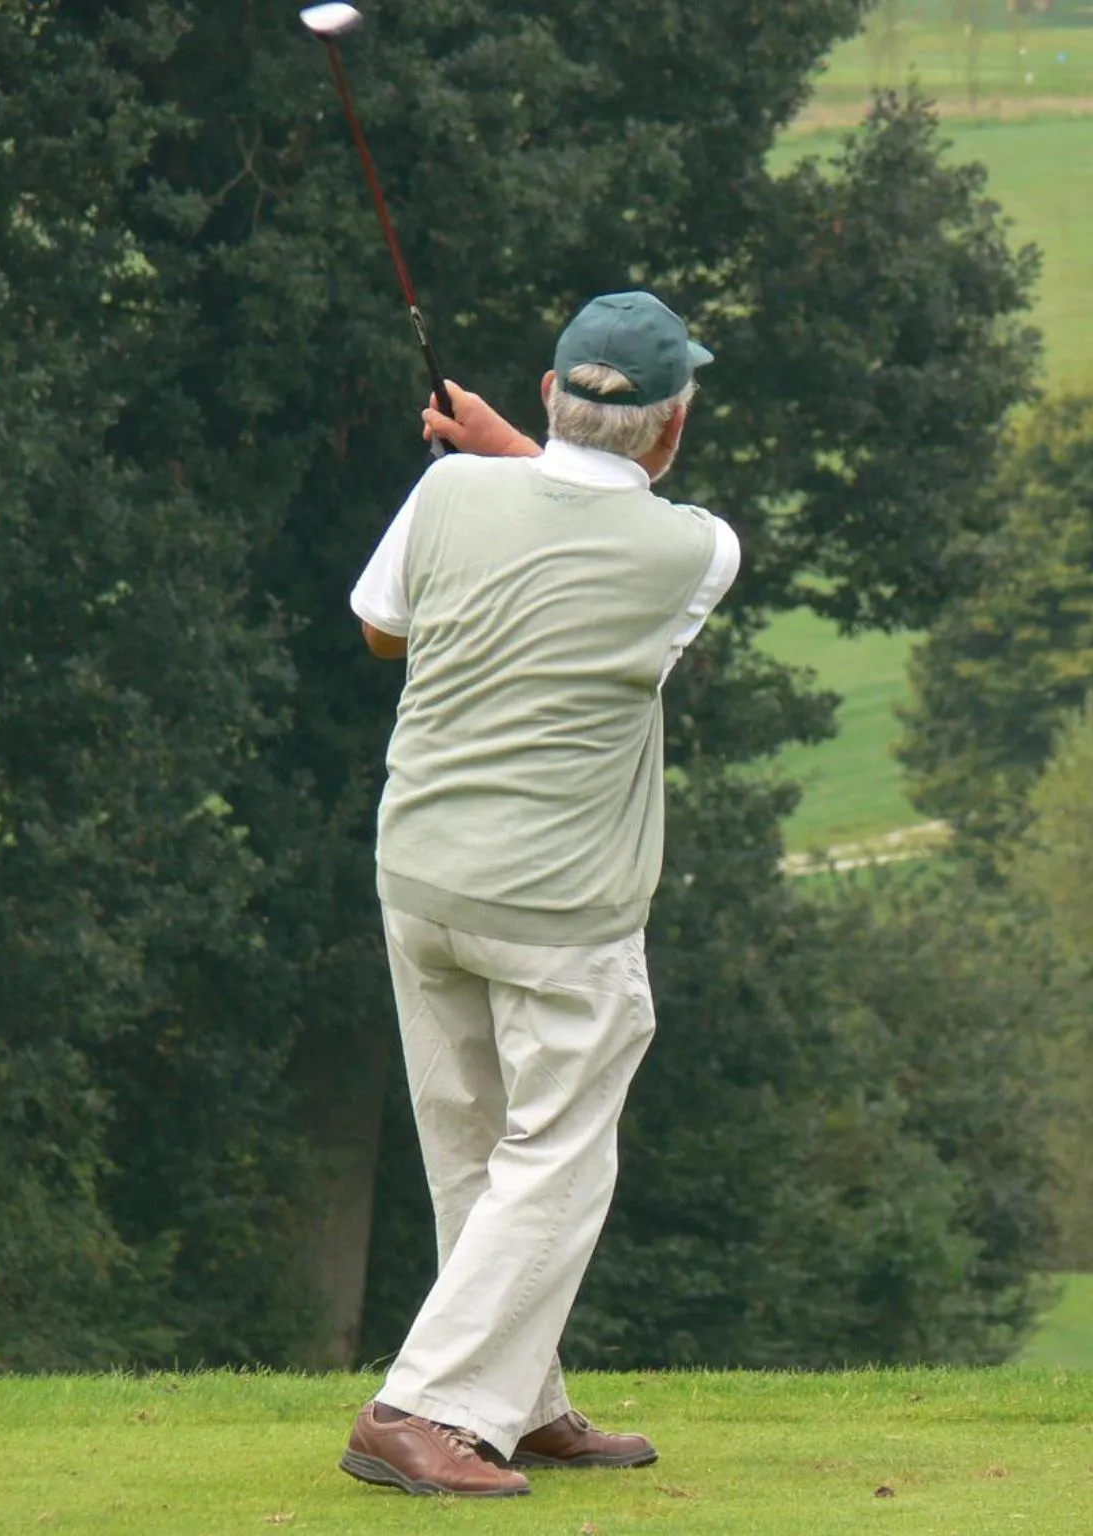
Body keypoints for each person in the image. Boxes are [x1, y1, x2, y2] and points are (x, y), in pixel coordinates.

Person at [339, 291, 740, 1499]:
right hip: (561, 911)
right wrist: (524, 453)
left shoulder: (450, 491)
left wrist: (506, 460)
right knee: (553, 1161)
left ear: (556, 391)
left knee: (471, 1149)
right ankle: (418, 1408)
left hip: (419, 874)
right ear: (670, 429)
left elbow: (380, 633)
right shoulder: (696, 549)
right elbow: (606, 516)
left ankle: (512, 1402)